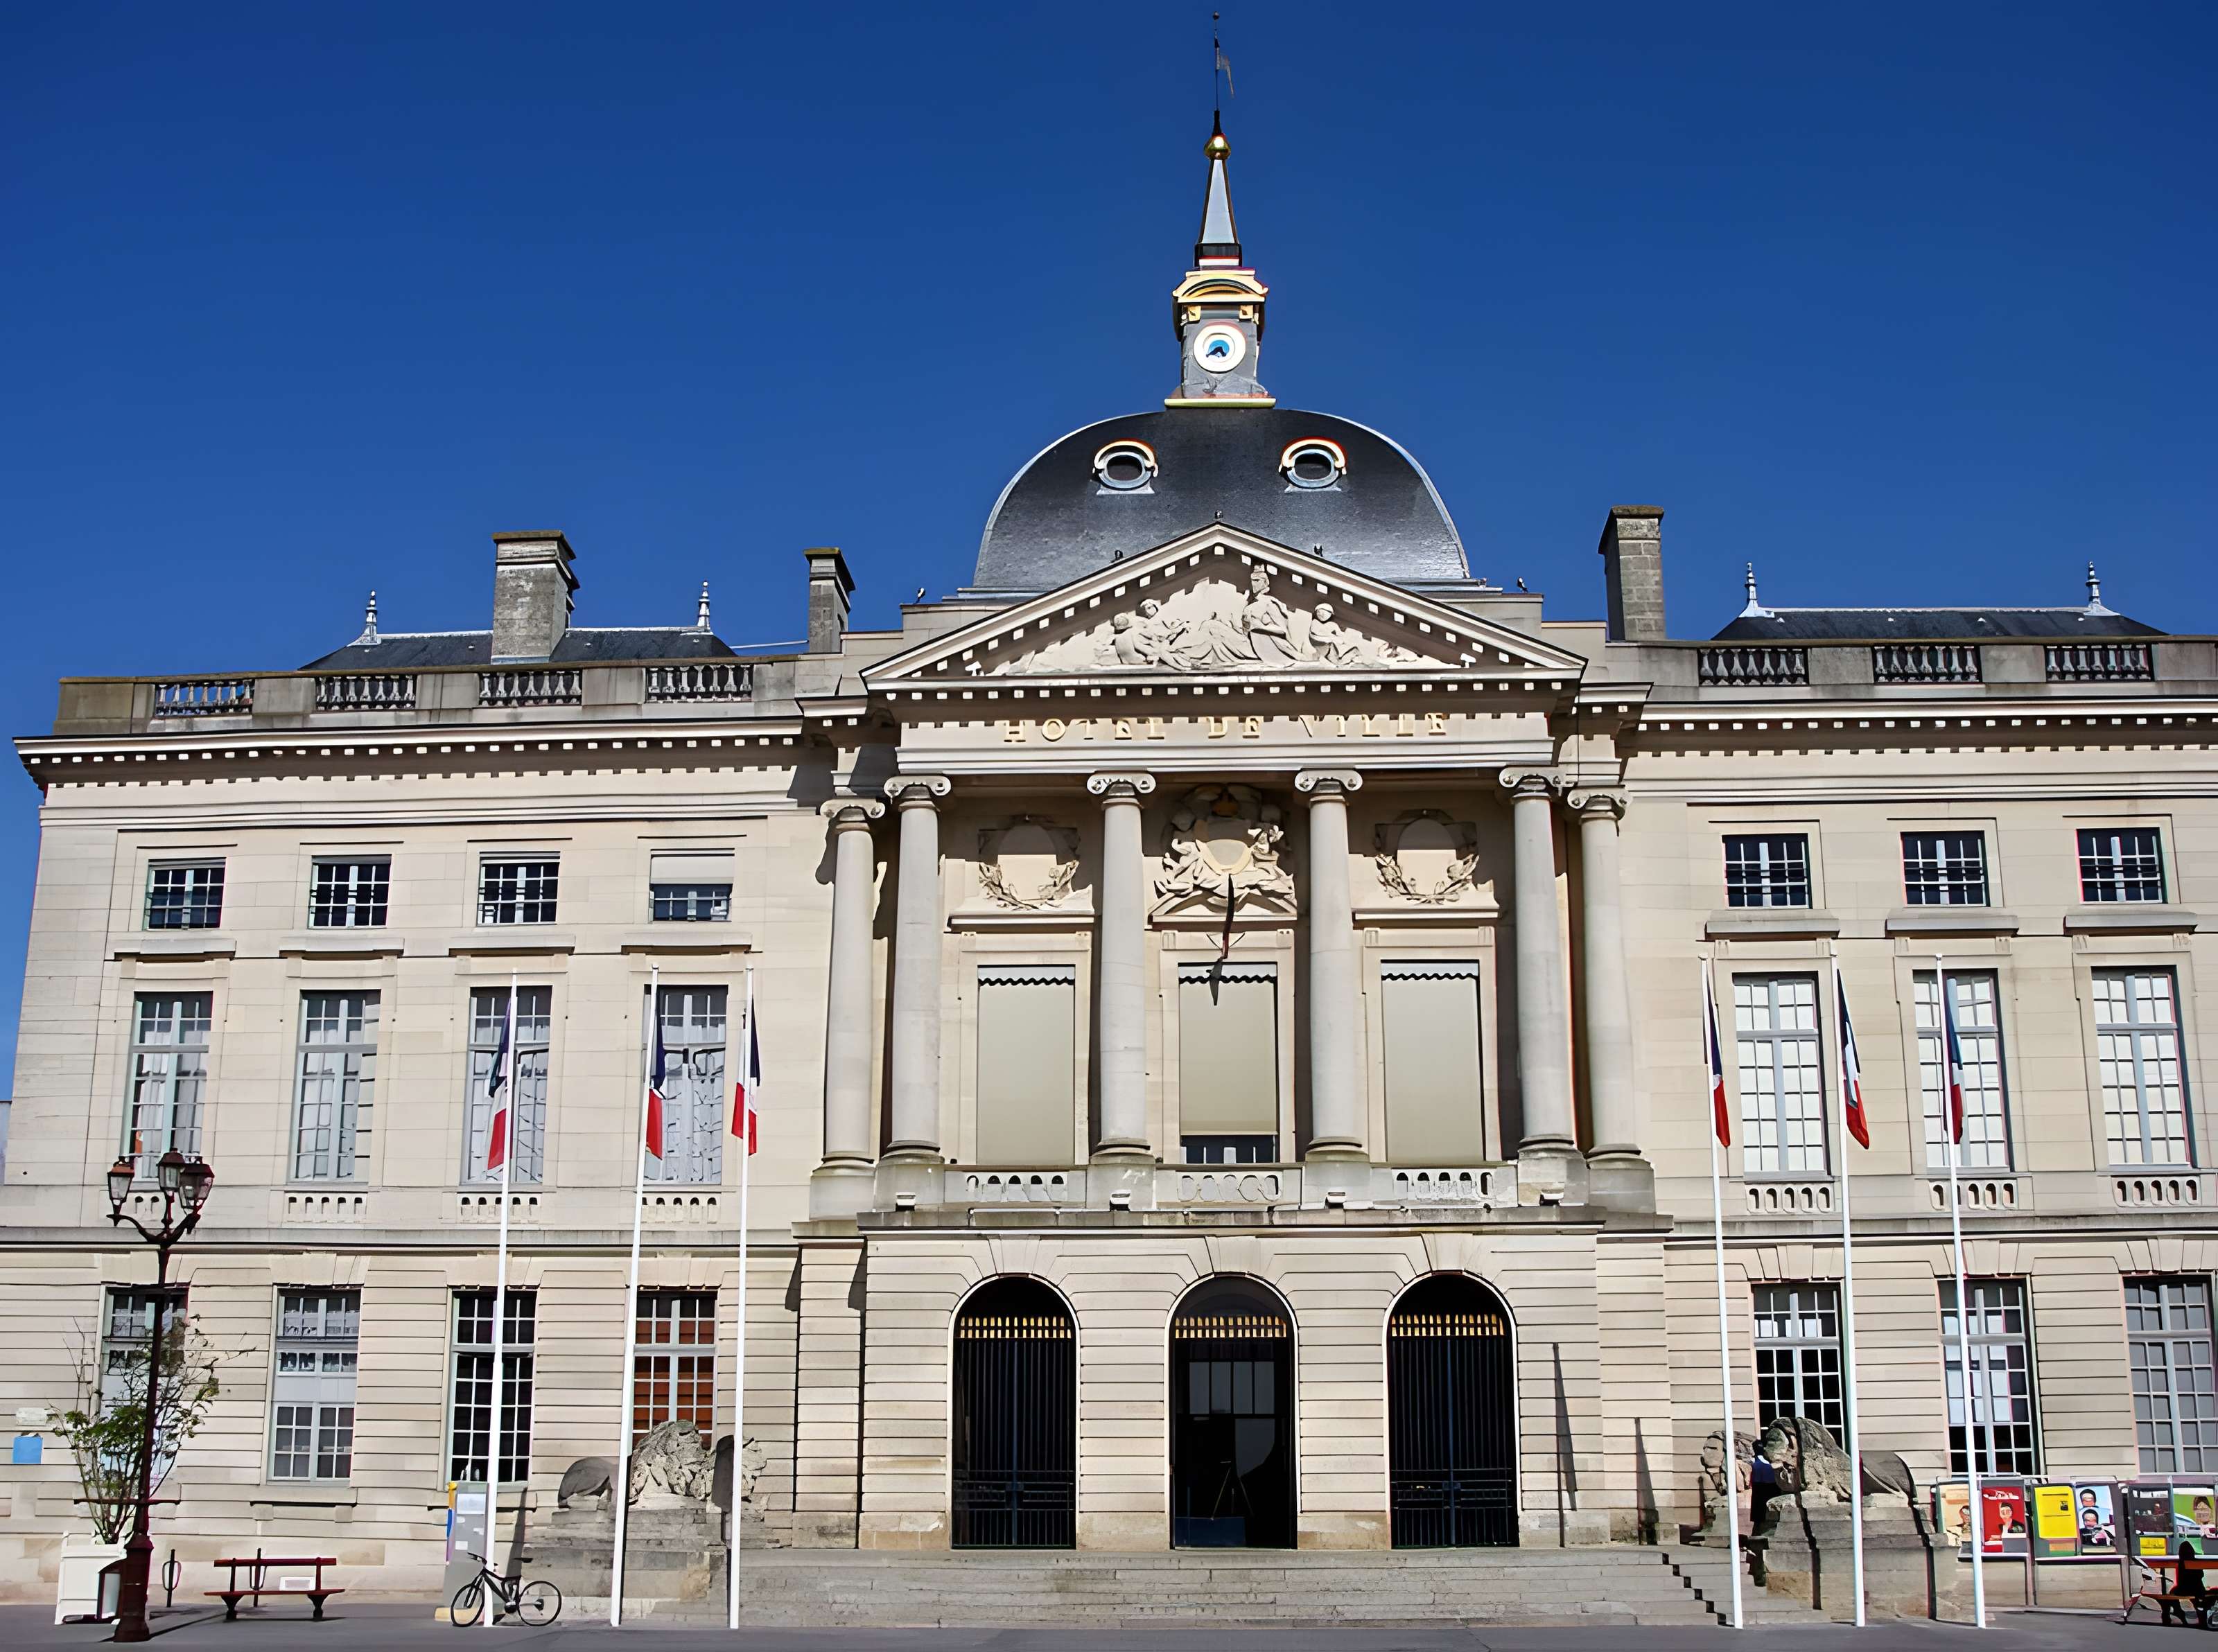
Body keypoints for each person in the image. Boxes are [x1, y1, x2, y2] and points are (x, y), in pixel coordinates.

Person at [2167, 1539, 2213, 1627]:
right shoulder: (2196, 1562)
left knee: (2172, 1592)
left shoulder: (2180, 1563)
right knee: (2199, 1598)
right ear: (2192, 1552)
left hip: (2183, 1589)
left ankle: (2178, 1611)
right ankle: (2202, 1614)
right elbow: (2201, 1575)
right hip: (2198, 1590)